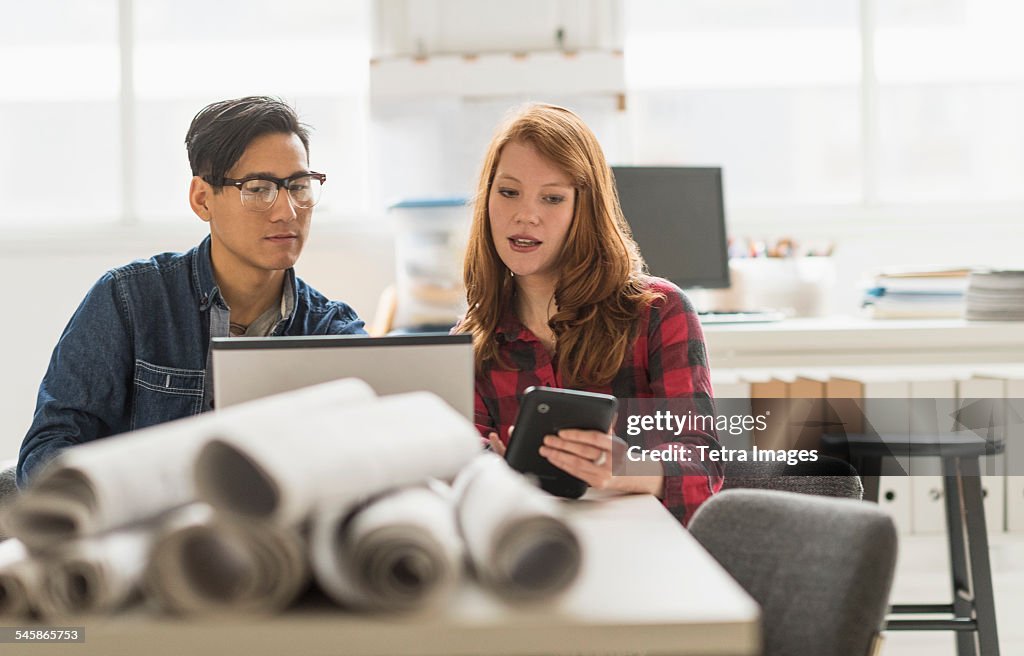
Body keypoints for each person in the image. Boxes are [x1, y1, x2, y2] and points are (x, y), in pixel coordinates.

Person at [17, 96, 365, 486]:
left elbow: (379, 447)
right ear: (202, 199)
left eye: (299, 186)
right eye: (258, 188)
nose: (286, 210)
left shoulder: (331, 330)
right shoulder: (128, 301)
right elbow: (48, 451)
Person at [456, 103, 722, 525]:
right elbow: (460, 474)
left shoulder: (659, 313)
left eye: (553, 197)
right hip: (534, 550)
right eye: (508, 192)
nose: (525, 215)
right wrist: (495, 475)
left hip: (650, 555)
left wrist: (625, 466)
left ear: (586, 209)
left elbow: (703, 467)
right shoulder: (473, 340)